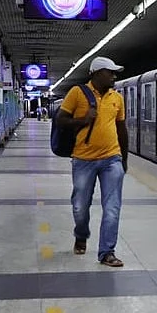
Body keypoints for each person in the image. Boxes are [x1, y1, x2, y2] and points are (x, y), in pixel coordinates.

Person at [53, 56, 129, 267]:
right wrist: (84, 120)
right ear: (96, 73)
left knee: (112, 208)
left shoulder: (117, 98)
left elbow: (121, 129)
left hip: (111, 159)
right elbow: (60, 120)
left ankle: (107, 252)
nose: (114, 76)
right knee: (80, 206)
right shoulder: (77, 93)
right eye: (110, 72)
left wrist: (124, 158)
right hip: (83, 160)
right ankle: (81, 234)